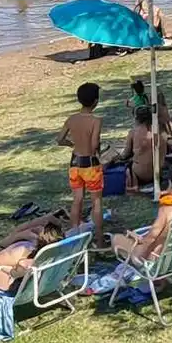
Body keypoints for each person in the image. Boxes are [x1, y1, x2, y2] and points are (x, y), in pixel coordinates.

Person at [111, 165, 172, 265]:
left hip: (157, 259)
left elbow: (151, 239)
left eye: (170, 184)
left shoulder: (167, 211)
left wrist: (138, 240)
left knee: (116, 238)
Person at [58, 82, 106, 246]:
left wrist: (71, 144)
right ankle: (100, 240)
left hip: (75, 163)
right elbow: (93, 145)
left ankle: (75, 237)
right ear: (95, 101)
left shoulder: (71, 119)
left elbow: (59, 139)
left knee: (77, 199)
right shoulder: (96, 121)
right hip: (90, 164)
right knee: (96, 202)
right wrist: (99, 151)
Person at [111, 104, 166, 192]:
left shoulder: (133, 133)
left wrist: (114, 158)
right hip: (157, 173)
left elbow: (125, 154)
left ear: (136, 118)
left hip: (139, 174)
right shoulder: (160, 132)